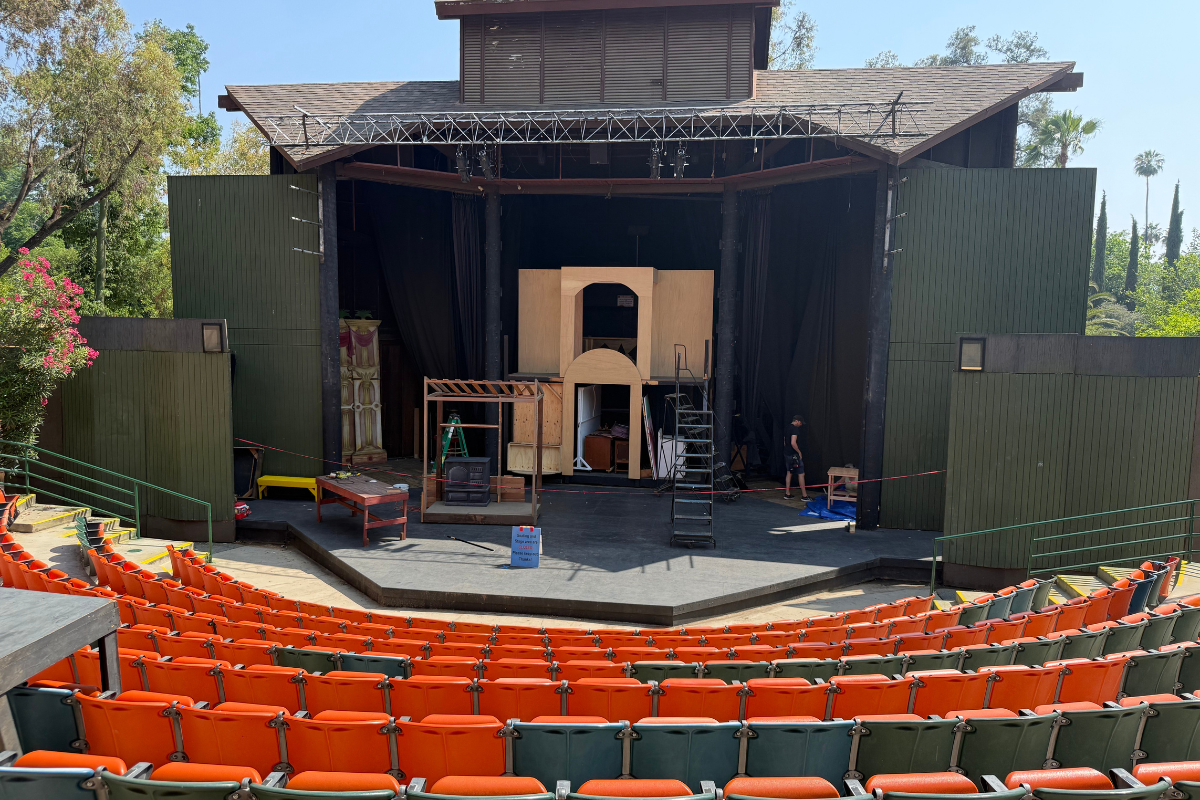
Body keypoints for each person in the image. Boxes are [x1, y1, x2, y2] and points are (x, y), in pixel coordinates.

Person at [783, 414, 810, 501]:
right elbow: (793, 443)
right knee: (801, 473)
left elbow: (785, 441)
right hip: (794, 455)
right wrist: (799, 452)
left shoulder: (787, 427)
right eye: (800, 423)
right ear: (797, 421)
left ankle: (787, 493)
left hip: (787, 453)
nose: (801, 425)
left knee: (789, 472)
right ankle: (804, 495)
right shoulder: (795, 429)